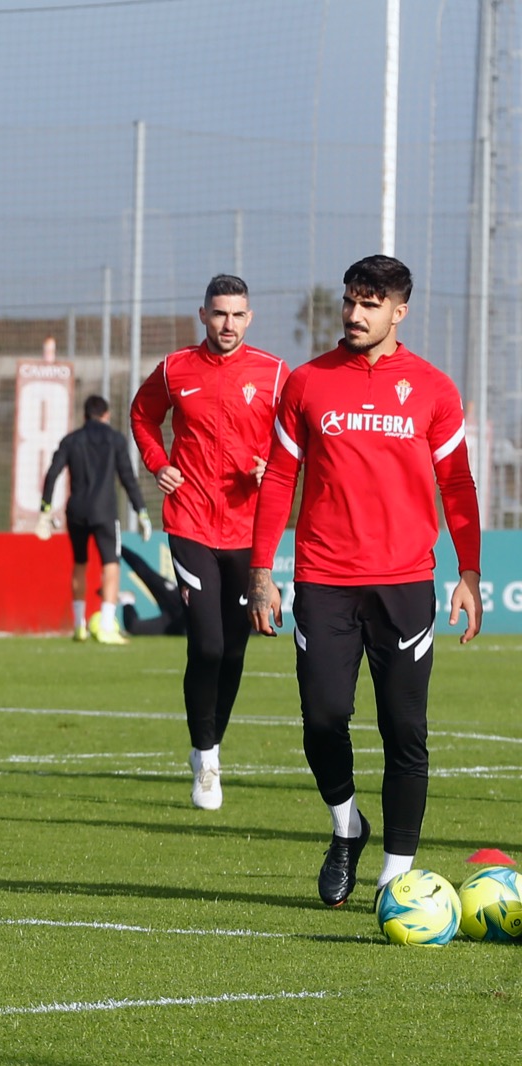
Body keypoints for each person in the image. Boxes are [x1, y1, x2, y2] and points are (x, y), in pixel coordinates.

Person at [247, 254, 481, 908]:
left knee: (405, 729)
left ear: (399, 312)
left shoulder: (434, 389)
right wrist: (263, 571)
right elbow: (279, 480)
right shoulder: (307, 382)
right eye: (350, 301)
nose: (354, 314)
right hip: (323, 578)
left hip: (406, 584)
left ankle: (395, 875)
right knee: (324, 718)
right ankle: (346, 825)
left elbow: (457, 484)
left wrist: (470, 572)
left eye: (370, 304)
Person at [129, 274, 289, 810]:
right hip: (191, 521)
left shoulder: (272, 375)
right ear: (203, 315)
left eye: (237, 314)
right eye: (219, 314)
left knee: (237, 649)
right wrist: (159, 463)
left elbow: (295, 438)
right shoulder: (176, 369)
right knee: (209, 644)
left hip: (249, 528)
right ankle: (205, 758)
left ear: (250, 317)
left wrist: (275, 465)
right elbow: (142, 415)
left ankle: (213, 743)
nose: (228, 324)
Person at [36, 395, 150, 645]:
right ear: (106, 415)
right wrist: (141, 510)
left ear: (85, 415)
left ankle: (79, 625)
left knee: (80, 563)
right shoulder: (115, 440)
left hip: (76, 510)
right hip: (105, 512)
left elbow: (52, 472)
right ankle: (107, 624)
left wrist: (45, 508)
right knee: (111, 563)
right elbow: (128, 477)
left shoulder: (71, 440)